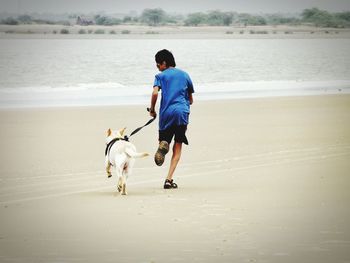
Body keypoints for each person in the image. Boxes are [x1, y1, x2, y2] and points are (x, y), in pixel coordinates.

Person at [149, 49, 194, 189]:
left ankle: (164, 143)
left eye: (158, 65)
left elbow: (155, 93)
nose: (157, 68)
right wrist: (184, 102)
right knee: (178, 144)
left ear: (163, 63)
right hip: (181, 113)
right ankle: (169, 179)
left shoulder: (160, 76)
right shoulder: (185, 75)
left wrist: (152, 109)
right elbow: (191, 100)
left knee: (164, 140)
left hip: (166, 113)